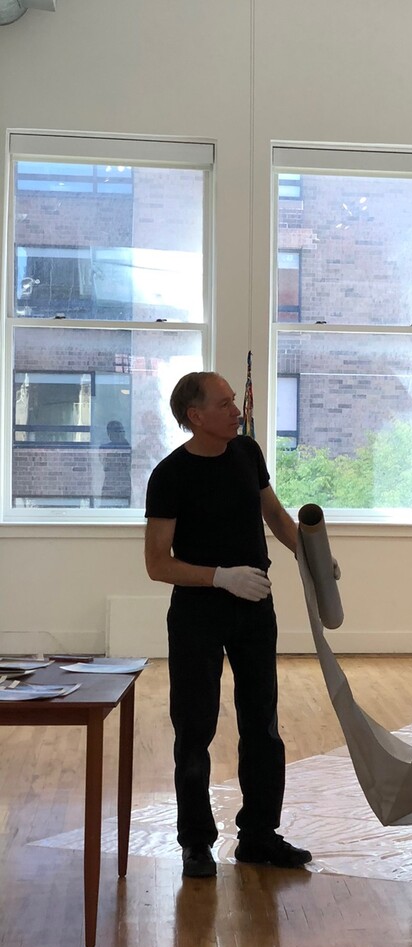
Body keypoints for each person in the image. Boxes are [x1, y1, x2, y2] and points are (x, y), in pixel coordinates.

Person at [144, 370, 312, 879]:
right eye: (224, 403)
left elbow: (278, 518)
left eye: (234, 401)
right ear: (196, 416)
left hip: (254, 606)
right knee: (195, 727)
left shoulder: (247, 454)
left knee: (262, 722)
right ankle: (196, 842)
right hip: (198, 613)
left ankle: (259, 835)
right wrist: (219, 577)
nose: (236, 410)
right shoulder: (170, 475)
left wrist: (314, 559)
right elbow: (158, 564)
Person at [99, 418, 131, 506]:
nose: (118, 435)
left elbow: (128, 464)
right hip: (109, 484)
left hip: (124, 485)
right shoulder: (105, 448)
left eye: (119, 431)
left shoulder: (127, 448)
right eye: (114, 432)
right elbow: (104, 461)